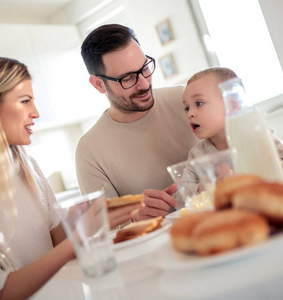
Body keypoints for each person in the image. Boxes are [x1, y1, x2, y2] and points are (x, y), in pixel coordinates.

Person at [0, 55, 139, 300]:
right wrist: (77, 238)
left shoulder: (24, 163)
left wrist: (101, 214)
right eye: (25, 101)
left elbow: (55, 240)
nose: (35, 113)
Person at [76, 24, 200, 221]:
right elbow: (103, 228)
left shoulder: (184, 100)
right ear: (99, 84)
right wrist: (132, 216)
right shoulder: (89, 151)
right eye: (127, 78)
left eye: (144, 68)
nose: (144, 83)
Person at [182, 67, 283, 177]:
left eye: (199, 103)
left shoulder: (260, 136)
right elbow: (182, 190)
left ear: (233, 104)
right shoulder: (197, 155)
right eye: (187, 108)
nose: (189, 113)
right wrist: (203, 186)